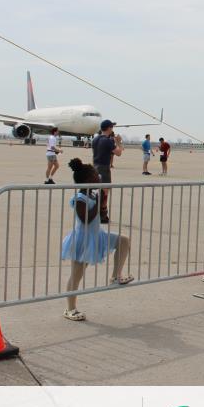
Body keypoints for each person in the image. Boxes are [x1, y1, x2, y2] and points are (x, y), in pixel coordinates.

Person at [60, 158, 132, 321]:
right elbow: (85, 218)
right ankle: (70, 309)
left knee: (124, 241)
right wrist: (99, 204)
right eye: (95, 175)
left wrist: (102, 205)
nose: (98, 177)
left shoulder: (93, 194)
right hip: (83, 240)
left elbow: (100, 216)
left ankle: (116, 276)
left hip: (97, 235)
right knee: (76, 275)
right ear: (87, 180)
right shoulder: (80, 197)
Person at [91, 120, 123, 224]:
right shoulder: (107, 140)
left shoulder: (95, 139)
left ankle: (95, 213)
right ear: (109, 128)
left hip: (95, 166)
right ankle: (103, 215)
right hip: (104, 168)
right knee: (104, 192)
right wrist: (118, 142)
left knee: (96, 192)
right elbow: (118, 153)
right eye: (112, 127)